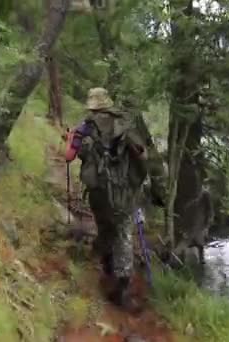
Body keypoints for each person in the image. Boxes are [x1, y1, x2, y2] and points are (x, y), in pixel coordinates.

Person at [65, 87, 150, 308]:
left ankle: (108, 269)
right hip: (125, 188)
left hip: (99, 189)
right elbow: (142, 153)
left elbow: (68, 156)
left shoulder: (85, 127)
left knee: (105, 226)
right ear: (108, 104)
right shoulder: (124, 124)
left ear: (92, 106)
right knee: (123, 230)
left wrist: (71, 139)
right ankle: (123, 278)